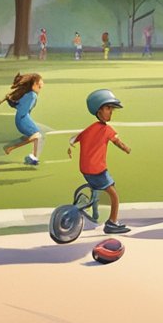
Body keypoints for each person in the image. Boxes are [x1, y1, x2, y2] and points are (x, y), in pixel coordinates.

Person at [70, 89, 133, 233]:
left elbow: (76, 138)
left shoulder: (90, 128)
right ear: (99, 110)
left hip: (86, 169)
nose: (110, 112)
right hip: (97, 169)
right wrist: (127, 149)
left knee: (102, 188)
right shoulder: (106, 130)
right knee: (114, 195)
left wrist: (71, 145)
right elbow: (117, 142)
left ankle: (95, 211)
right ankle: (112, 223)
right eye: (108, 108)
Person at [0, 73, 45, 165]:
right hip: (23, 119)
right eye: (40, 82)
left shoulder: (29, 94)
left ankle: (33, 157)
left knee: (37, 136)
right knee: (38, 136)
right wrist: (26, 120)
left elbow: (19, 106)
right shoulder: (32, 95)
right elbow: (23, 110)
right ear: (35, 84)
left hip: (21, 118)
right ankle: (11, 147)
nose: (42, 84)